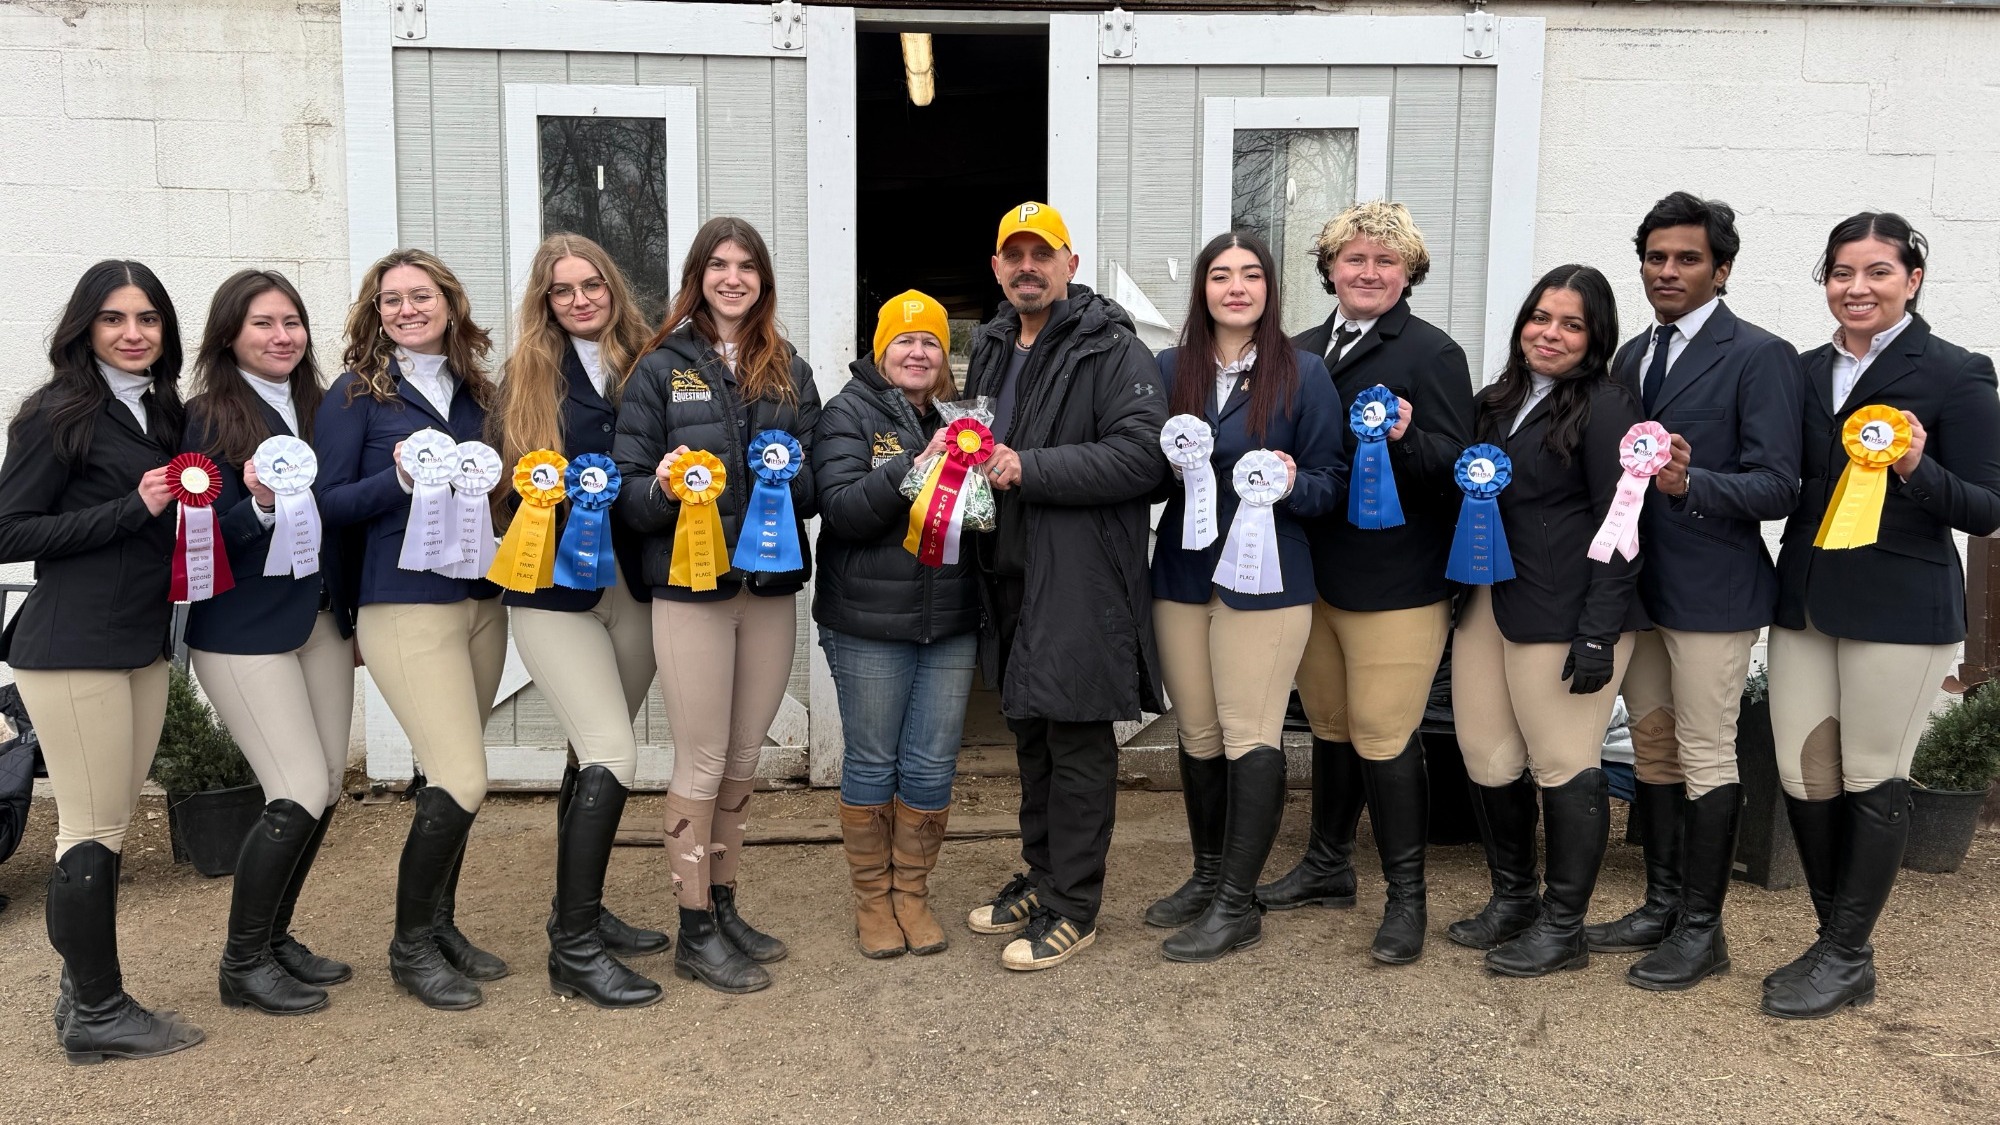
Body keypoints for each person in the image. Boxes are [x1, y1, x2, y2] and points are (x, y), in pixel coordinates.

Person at [1763, 213, 2000, 1020]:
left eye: (1876, 272)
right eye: (1840, 273)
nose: (1855, 288)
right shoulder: (1796, 371)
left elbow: (1987, 507)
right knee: (1804, 774)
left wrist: (1912, 465)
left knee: (1872, 775)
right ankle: (1836, 937)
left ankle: (1848, 952)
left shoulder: (1959, 373)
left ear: (1913, 279)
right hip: (1802, 600)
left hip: (1899, 607)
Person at [1584, 193, 1803, 991]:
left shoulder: (1760, 354)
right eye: (1655, 257)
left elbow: (1780, 483)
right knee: (1652, 742)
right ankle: (1661, 903)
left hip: (1715, 591)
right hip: (1636, 586)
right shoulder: (1630, 355)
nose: (1667, 271)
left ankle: (1705, 931)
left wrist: (1691, 481)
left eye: (1686, 258)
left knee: (1708, 752)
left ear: (1722, 268)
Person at [1261, 201, 1475, 965]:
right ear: (1329, 270)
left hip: (1395, 582)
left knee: (1386, 737)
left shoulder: (1432, 353)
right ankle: (1326, 864)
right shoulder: (1296, 349)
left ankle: (1405, 897)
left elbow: (1462, 470)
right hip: (1310, 574)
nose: (1369, 272)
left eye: (1387, 261)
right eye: (1355, 259)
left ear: (1408, 272)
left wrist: (1408, 434)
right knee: (1330, 726)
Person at [0, 260, 204, 1062]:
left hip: (140, 646)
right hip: (73, 646)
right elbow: (9, 532)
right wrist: (134, 507)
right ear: (85, 327)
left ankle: (77, 988)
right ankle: (99, 1009)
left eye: (148, 318)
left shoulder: (162, 411)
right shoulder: (58, 414)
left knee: (107, 824)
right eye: (115, 318)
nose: (132, 333)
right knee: (90, 827)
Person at [613, 216, 820, 995]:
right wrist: (663, 487)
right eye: (719, 265)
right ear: (698, 275)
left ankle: (724, 902)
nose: (733, 278)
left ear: (763, 279)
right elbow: (627, 494)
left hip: (766, 590)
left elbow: (814, 481)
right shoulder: (658, 369)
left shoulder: (789, 367)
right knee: (699, 759)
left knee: (742, 759)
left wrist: (787, 474)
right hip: (691, 591)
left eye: (748, 267)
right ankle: (692, 926)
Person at [959, 202, 1167, 971]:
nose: (1027, 267)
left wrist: (1029, 467)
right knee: (1031, 736)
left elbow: (1143, 457)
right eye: (1013, 255)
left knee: (1076, 740)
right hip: (1005, 571)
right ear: (996, 268)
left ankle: (1074, 904)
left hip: (1078, 576)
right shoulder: (986, 346)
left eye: (1041, 254)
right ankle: (1043, 876)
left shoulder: (1111, 349)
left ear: (1069, 264)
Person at [315, 249, 507, 1011]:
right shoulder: (355, 396)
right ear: (375, 313)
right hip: (403, 605)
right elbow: (325, 505)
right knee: (465, 776)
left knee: (442, 775)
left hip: (480, 603)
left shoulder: (479, 394)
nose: (405, 309)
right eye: (390, 300)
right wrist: (394, 478)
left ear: (450, 304)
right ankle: (408, 946)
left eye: (420, 296)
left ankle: (442, 924)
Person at [1145, 231, 1346, 962]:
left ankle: (1238, 902)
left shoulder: (1306, 375)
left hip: (1268, 582)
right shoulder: (1171, 370)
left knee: (1249, 732)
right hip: (1181, 574)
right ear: (1202, 290)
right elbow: (1145, 468)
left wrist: (1292, 482)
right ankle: (1206, 876)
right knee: (1196, 733)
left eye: (1251, 274)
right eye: (1221, 275)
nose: (1237, 287)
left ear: (1270, 288)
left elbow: (1333, 484)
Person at [1451, 264, 1647, 978]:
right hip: (1486, 603)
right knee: (1486, 756)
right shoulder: (1494, 402)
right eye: (1540, 317)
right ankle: (1514, 898)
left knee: (1564, 763)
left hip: (1567, 614)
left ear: (1596, 338)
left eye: (1571, 324)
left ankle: (1564, 925)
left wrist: (1598, 628)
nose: (1550, 334)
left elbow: (1620, 523)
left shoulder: (1608, 408)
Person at [489, 233, 666, 1009]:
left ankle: (577, 908)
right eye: (563, 290)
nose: (581, 299)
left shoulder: (650, 361)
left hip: (635, 587)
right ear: (546, 300)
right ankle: (575, 948)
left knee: (587, 754)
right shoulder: (521, 379)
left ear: (612, 287)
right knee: (612, 750)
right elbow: (494, 486)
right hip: (551, 591)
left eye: (592, 283)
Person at [182, 270, 356, 1016]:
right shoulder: (203, 420)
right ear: (230, 335)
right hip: (243, 628)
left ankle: (276, 936)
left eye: (292, 321)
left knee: (325, 783)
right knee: (297, 787)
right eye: (262, 323)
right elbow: (196, 541)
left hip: (318, 620)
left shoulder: (326, 410)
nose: (282, 335)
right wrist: (253, 504)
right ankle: (241, 961)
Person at [813, 290, 981, 960]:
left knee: (932, 760)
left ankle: (912, 893)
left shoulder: (962, 420)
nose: (918, 352)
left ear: (945, 356)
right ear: (881, 350)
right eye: (904, 341)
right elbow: (843, 510)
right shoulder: (847, 413)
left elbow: (978, 521)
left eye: (931, 342)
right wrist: (911, 471)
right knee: (873, 758)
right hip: (868, 622)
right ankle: (872, 899)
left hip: (950, 617)